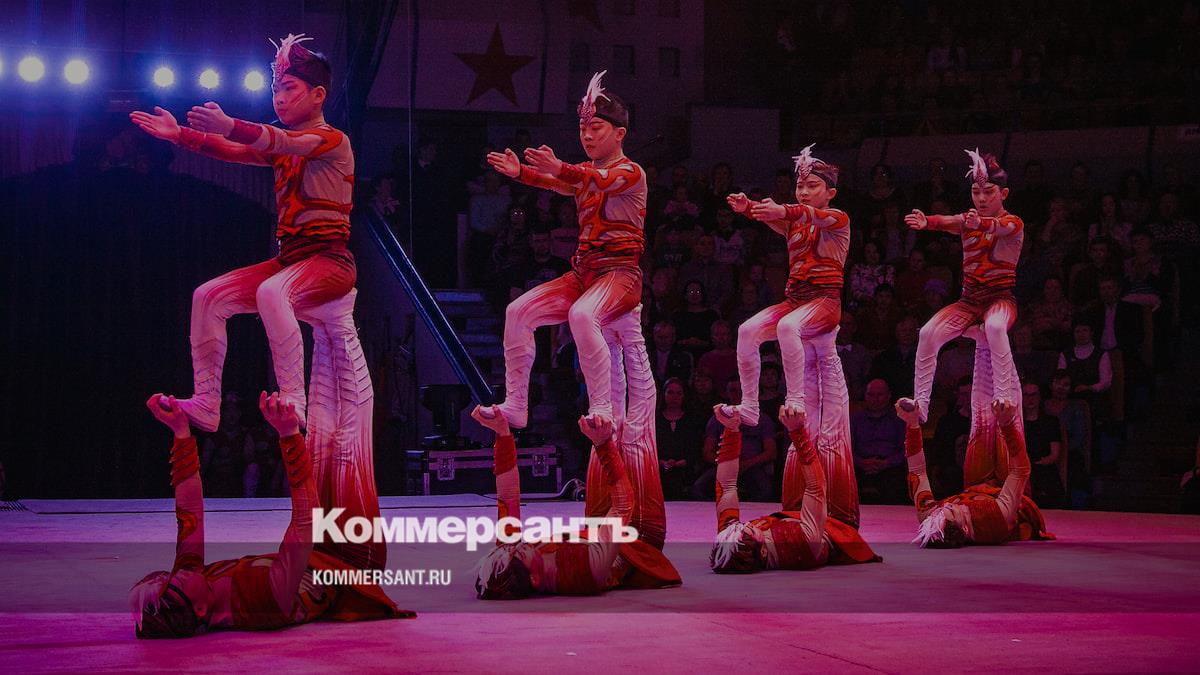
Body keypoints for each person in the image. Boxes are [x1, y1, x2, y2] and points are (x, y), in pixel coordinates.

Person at [130, 34, 355, 431]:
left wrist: (231, 125)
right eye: (275, 90)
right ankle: (206, 401)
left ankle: (294, 399)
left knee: (272, 292)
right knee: (208, 296)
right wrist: (180, 134)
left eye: (289, 89)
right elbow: (235, 150)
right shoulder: (285, 146)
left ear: (318, 95)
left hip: (330, 262)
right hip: (290, 261)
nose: (279, 99)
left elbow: (277, 139)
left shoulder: (332, 141)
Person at [129, 393, 410, 638]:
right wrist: (289, 436)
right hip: (350, 557)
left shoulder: (192, 584)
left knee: (326, 402)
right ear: (201, 609)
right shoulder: (261, 603)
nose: (174, 573)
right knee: (348, 418)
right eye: (172, 582)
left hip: (321, 549)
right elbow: (305, 523)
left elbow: (189, 515)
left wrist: (181, 432)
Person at [483, 72, 645, 428]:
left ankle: (601, 408)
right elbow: (556, 182)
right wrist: (521, 172)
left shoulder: (632, 173)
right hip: (583, 274)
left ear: (619, 133)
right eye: (583, 128)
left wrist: (560, 167)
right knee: (517, 311)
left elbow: (594, 180)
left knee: (582, 315)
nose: (587, 135)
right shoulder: (582, 173)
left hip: (620, 275)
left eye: (596, 128)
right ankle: (516, 405)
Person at [472, 411, 680, 598]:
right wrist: (603, 445)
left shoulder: (513, 556)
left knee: (605, 420)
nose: (517, 546)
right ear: (535, 578)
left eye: (509, 548)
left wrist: (503, 434)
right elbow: (624, 503)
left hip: (600, 530)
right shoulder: (587, 568)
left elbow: (508, 497)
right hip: (639, 536)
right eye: (518, 553)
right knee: (636, 433)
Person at [721, 145, 850, 428]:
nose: (804, 192)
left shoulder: (838, 219)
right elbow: (770, 215)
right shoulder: (793, 224)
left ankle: (796, 400)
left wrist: (781, 209)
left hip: (825, 302)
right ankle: (750, 406)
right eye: (800, 186)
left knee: (788, 327)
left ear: (831, 193)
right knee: (747, 330)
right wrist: (747, 206)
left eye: (812, 186)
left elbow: (803, 214)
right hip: (795, 301)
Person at [905, 149, 1023, 424]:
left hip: (1000, 300)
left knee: (995, 327)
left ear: (1004, 194)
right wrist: (927, 222)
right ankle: (920, 404)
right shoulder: (967, 221)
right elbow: (947, 221)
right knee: (927, 333)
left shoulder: (1013, 223)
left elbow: (998, 228)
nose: (981, 198)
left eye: (988, 192)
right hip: (969, 302)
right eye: (975, 192)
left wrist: (979, 223)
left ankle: (1003, 395)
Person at [708, 406, 880, 573]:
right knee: (831, 443)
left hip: (796, 512)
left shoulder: (732, 536)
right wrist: (797, 432)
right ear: (763, 551)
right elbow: (816, 487)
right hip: (837, 523)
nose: (743, 524)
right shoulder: (802, 544)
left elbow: (727, 486)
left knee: (795, 448)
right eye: (747, 529)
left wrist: (731, 430)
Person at [896, 397, 1053, 547]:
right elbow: (1020, 471)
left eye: (941, 511)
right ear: (964, 529)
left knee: (982, 418)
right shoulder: (995, 518)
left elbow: (917, 472)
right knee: (1005, 409)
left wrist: (912, 424)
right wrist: (1008, 425)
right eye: (951, 511)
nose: (946, 506)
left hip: (978, 487)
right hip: (1013, 493)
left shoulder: (931, 517)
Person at [692, 381, 778, 502]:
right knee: (698, 489)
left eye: (741, 391)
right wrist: (727, 464)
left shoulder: (763, 419)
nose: (738, 394)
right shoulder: (717, 419)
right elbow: (707, 451)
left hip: (751, 466)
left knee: (766, 491)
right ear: (727, 393)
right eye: (733, 390)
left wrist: (746, 464)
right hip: (722, 466)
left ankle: (750, 513)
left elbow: (771, 452)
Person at [850, 379, 908, 503]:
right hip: (860, 466)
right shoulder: (855, 420)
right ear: (865, 396)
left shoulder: (899, 420)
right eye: (871, 395)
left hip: (890, 467)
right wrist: (861, 462)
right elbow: (848, 447)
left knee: (896, 482)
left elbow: (905, 450)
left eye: (880, 395)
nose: (875, 399)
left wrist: (887, 463)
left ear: (888, 396)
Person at [656, 378, 705, 500]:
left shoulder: (693, 419)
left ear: (684, 396)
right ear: (664, 394)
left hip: (686, 468)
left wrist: (680, 463)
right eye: (670, 392)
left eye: (679, 393)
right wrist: (662, 462)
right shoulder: (654, 419)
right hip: (658, 467)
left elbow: (696, 447)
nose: (674, 397)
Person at [1021, 380, 1064, 508]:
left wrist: (1042, 462)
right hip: (1021, 470)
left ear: (1039, 397)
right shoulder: (1017, 423)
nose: (1030, 399)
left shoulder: (1051, 422)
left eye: (1033, 394)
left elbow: (1054, 454)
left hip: (1043, 468)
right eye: (1026, 395)